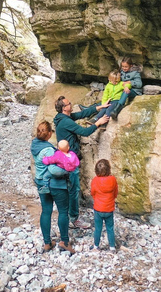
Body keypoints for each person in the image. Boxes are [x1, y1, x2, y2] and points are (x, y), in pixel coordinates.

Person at [53, 96, 109, 229]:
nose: (71, 104)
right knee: (74, 189)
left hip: (65, 158)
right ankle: (74, 219)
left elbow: (82, 113)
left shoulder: (63, 118)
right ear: (64, 108)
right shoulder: (66, 122)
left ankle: (67, 214)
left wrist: (98, 107)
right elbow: (84, 132)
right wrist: (98, 123)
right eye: (68, 103)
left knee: (70, 188)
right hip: (70, 161)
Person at [31, 121, 76, 254]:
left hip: (41, 182)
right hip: (55, 184)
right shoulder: (49, 150)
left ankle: (47, 242)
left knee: (46, 210)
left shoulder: (35, 145)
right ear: (49, 134)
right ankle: (64, 242)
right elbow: (54, 170)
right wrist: (68, 170)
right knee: (63, 211)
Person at [90, 159, 118, 252]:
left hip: (98, 208)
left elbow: (93, 192)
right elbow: (115, 192)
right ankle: (112, 247)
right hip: (109, 208)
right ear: (109, 169)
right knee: (110, 228)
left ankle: (96, 246)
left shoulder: (95, 180)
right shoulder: (113, 179)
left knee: (98, 228)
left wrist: (96, 199)